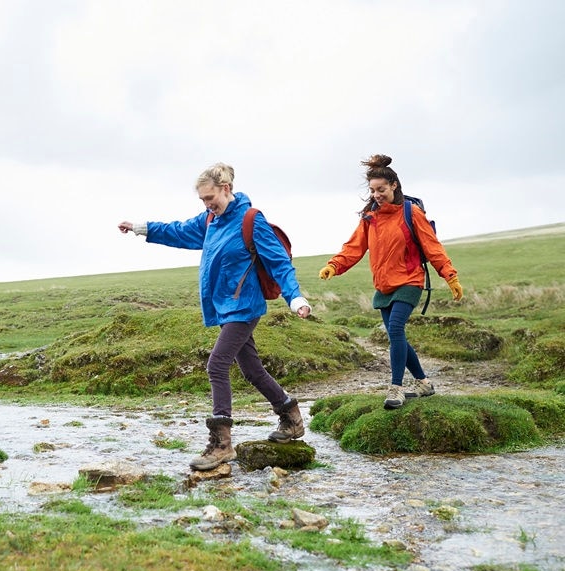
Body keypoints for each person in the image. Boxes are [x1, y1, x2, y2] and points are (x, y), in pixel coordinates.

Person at [118, 163, 311, 470]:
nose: (207, 204)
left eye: (211, 197)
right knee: (252, 371)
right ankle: (291, 417)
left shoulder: (251, 220)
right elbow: (179, 231)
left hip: (244, 307)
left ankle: (222, 443)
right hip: (224, 307)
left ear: (226, 189)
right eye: (202, 200)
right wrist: (142, 227)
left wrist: (295, 297)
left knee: (216, 364)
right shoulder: (210, 220)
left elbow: (278, 262)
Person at [318, 154, 463, 410]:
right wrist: (334, 265)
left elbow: (432, 247)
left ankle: (395, 389)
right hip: (384, 286)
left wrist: (450, 276)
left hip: (409, 280)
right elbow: (354, 247)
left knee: (395, 329)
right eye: (373, 190)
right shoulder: (370, 217)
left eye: (381, 189)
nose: (376, 194)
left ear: (394, 185)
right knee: (397, 336)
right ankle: (424, 382)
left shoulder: (411, 212)